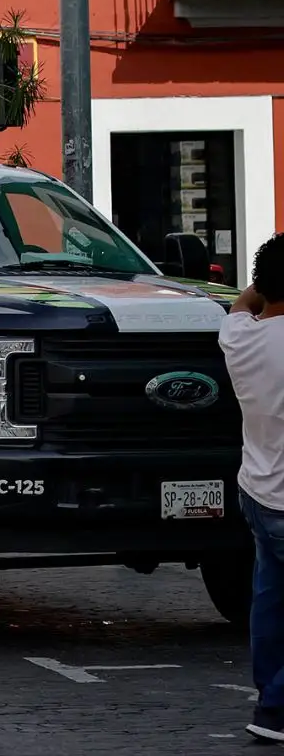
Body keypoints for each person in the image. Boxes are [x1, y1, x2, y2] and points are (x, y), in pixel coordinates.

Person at [218, 232, 284, 742]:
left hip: (259, 491)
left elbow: (241, 304)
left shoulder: (239, 337)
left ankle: (270, 705)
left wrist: (263, 284)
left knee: (270, 603)